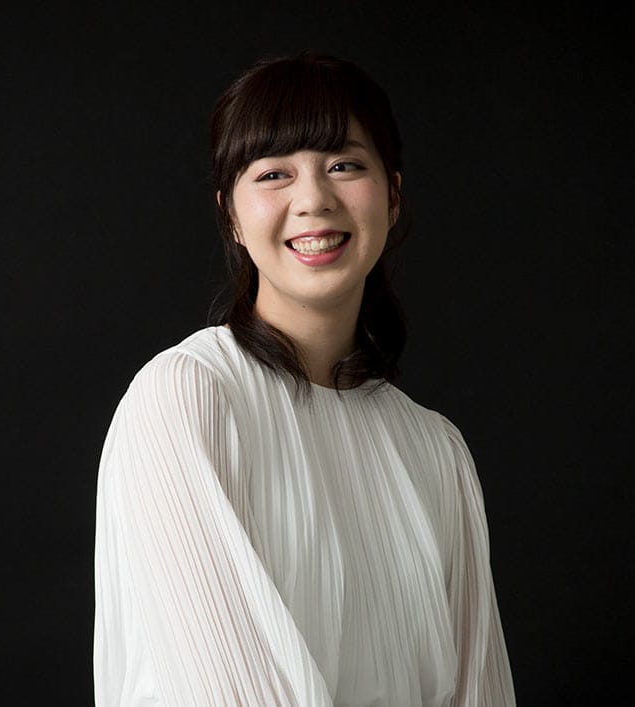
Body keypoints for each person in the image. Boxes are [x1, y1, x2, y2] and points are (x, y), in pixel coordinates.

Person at [94, 53, 516, 706]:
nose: (314, 199)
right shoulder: (188, 399)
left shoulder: (437, 450)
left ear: (393, 195)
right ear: (231, 216)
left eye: (344, 165)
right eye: (274, 173)